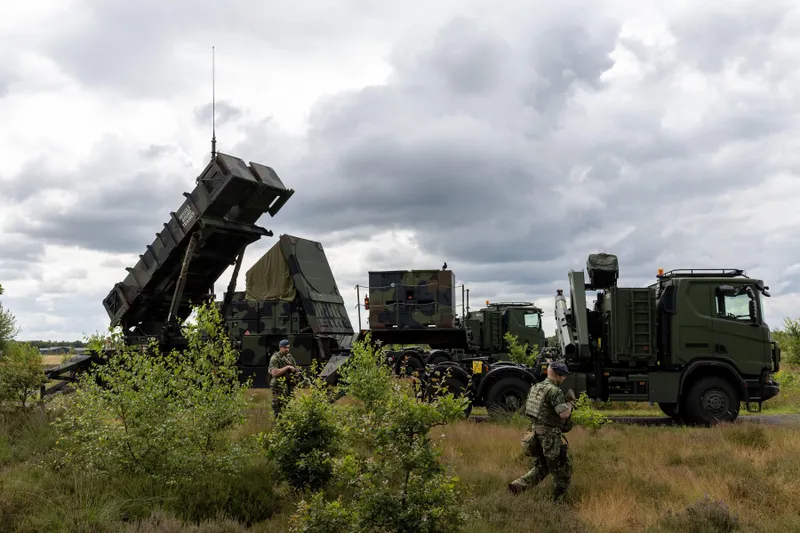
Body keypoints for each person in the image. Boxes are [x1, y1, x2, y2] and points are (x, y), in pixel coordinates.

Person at [508, 361, 576, 502]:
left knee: (542, 466)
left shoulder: (536, 387)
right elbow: (564, 415)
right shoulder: (554, 391)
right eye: (563, 376)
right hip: (550, 437)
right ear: (557, 375)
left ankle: (517, 486)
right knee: (563, 469)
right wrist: (570, 404)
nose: (564, 379)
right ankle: (559, 501)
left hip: (535, 433)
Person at [268, 339, 299, 418]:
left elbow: (295, 368)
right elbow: (274, 373)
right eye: (285, 347)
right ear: (280, 347)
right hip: (278, 385)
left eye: (288, 347)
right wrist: (287, 367)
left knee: (289, 404)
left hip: (288, 384)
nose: (287, 349)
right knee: (278, 405)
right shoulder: (275, 358)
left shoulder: (289, 357)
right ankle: (278, 423)